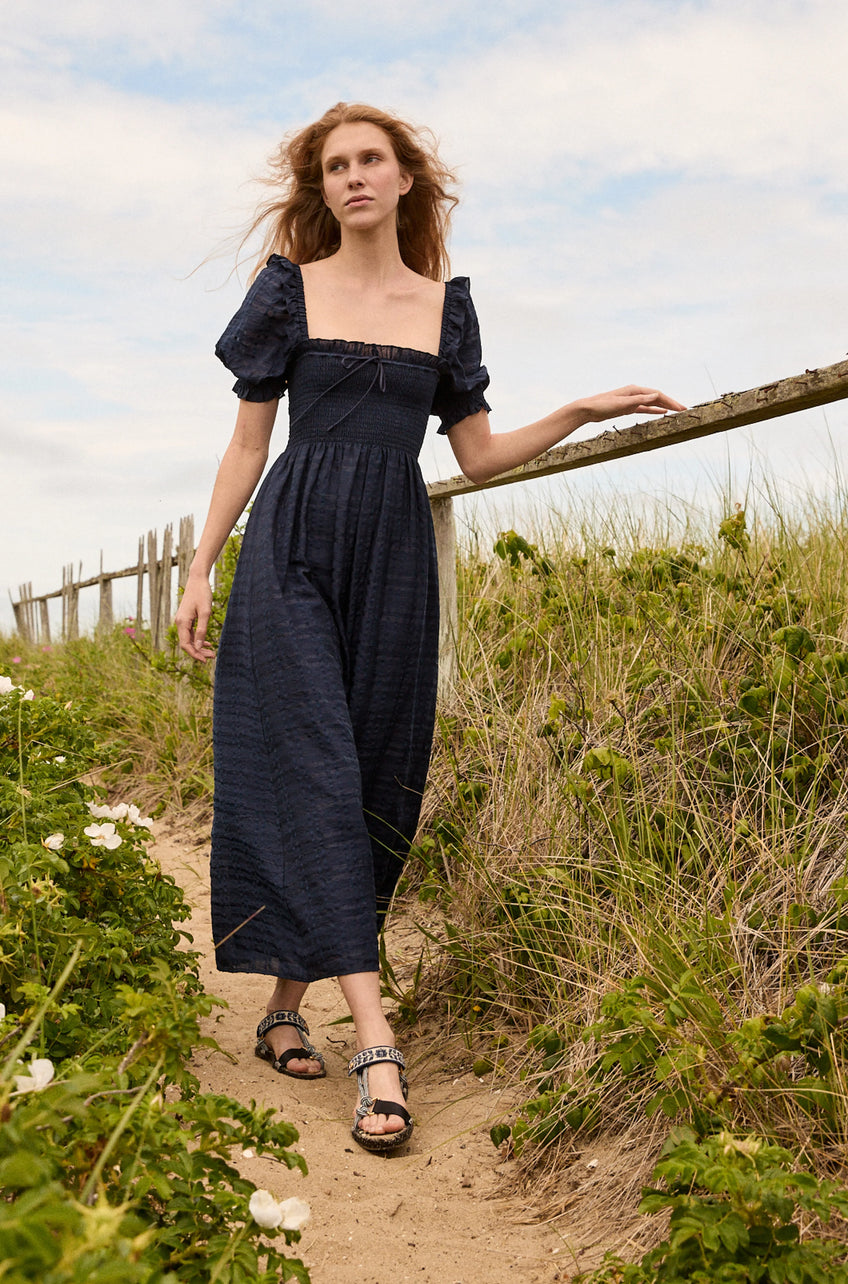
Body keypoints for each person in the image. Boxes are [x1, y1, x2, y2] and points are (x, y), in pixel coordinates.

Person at [175, 102, 684, 1153]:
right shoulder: (288, 292)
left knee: (372, 777)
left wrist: (580, 413)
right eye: (336, 166)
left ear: (407, 179)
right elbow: (244, 446)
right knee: (311, 760)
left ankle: (282, 1007)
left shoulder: (444, 311)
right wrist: (200, 565)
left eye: (373, 160)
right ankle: (377, 1040)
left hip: (396, 558)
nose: (355, 177)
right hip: (294, 550)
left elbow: (480, 456)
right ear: (321, 189)